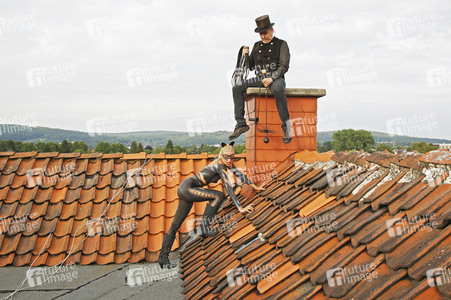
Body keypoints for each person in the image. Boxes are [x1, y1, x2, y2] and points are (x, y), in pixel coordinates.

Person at [158, 142, 265, 269]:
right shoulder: (220, 165)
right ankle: (204, 228)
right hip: (187, 188)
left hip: (187, 188)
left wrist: (255, 187)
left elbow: (241, 175)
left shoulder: (227, 163)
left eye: (232, 157)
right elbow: (228, 187)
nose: (230, 160)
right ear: (221, 156)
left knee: (176, 223)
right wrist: (240, 207)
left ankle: (163, 258)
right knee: (218, 195)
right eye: (227, 157)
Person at [229, 15, 292, 143]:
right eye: (261, 34)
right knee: (237, 87)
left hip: (276, 78)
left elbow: (284, 65)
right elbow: (251, 67)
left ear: (272, 30)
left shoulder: (282, 44)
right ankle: (241, 124)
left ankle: (286, 127)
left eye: (265, 33)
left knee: (278, 89)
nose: (263, 36)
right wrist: (246, 55)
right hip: (260, 79)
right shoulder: (257, 46)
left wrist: (272, 78)